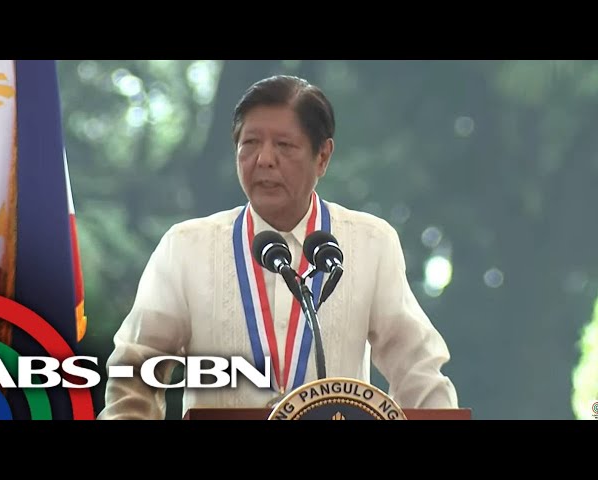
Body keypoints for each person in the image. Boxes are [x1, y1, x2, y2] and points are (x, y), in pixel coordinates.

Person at [97, 75, 458, 420]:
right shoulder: (187, 248)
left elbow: (418, 370)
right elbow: (137, 367)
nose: (264, 159)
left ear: (323, 156)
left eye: (284, 145)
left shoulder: (370, 244)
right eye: (250, 143)